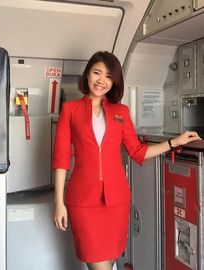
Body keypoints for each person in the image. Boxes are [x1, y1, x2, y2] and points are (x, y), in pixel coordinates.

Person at [52, 51, 201, 270]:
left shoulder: (120, 112)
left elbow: (138, 151)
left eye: (108, 76)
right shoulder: (70, 110)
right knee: (98, 265)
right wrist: (58, 203)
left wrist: (174, 142)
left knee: (111, 260)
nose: (101, 80)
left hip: (117, 201)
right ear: (87, 75)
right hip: (83, 201)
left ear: (115, 82)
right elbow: (61, 158)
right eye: (96, 73)